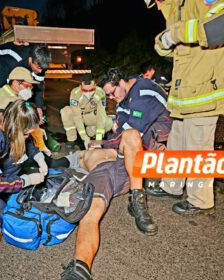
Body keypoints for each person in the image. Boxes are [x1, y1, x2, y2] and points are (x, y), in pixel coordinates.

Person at [142, 0, 224, 215]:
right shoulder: (176, 6)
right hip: (184, 89)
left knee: (198, 146)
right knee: (177, 142)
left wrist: (176, 33)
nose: (158, 7)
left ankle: (200, 199)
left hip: (205, 88)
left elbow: (218, 28)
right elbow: (179, 49)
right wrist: (163, 42)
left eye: (158, 1)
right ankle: (172, 185)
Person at [60, 129, 157, 280]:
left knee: (131, 134)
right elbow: (55, 163)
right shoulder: (81, 155)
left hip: (127, 169)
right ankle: (80, 268)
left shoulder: (112, 144)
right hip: (100, 176)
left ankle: (136, 199)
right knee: (90, 211)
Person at [0, 67, 51, 156]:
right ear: (16, 82)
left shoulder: (5, 91)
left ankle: (36, 153)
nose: (30, 90)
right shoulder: (10, 100)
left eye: (31, 87)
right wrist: (34, 121)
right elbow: (17, 126)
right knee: (26, 132)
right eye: (27, 86)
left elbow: (24, 108)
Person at [99, 67, 172, 151]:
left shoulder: (142, 91)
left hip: (165, 129)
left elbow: (135, 128)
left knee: (137, 137)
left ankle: (163, 157)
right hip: (146, 128)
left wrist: (105, 144)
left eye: (112, 92)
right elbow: (121, 128)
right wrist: (104, 143)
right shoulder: (123, 99)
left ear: (121, 82)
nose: (111, 97)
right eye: (108, 95)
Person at [0, 42, 52, 123]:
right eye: (38, 67)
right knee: (0, 97)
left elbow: (39, 86)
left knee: (24, 95)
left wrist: (39, 107)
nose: (40, 71)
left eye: (43, 68)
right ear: (30, 59)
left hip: (21, 64)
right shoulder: (13, 60)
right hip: (0, 62)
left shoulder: (41, 64)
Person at [60, 74, 113, 149]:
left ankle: (91, 131)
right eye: (85, 90)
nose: (88, 92)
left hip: (91, 115)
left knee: (109, 123)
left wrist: (98, 139)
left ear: (95, 85)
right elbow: (77, 116)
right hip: (80, 114)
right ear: (81, 85)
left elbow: (101, 115)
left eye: (91, 90)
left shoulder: (100, 93)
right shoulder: (75, 93)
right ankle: (72, 138)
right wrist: (85, 138)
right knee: (66, 111)